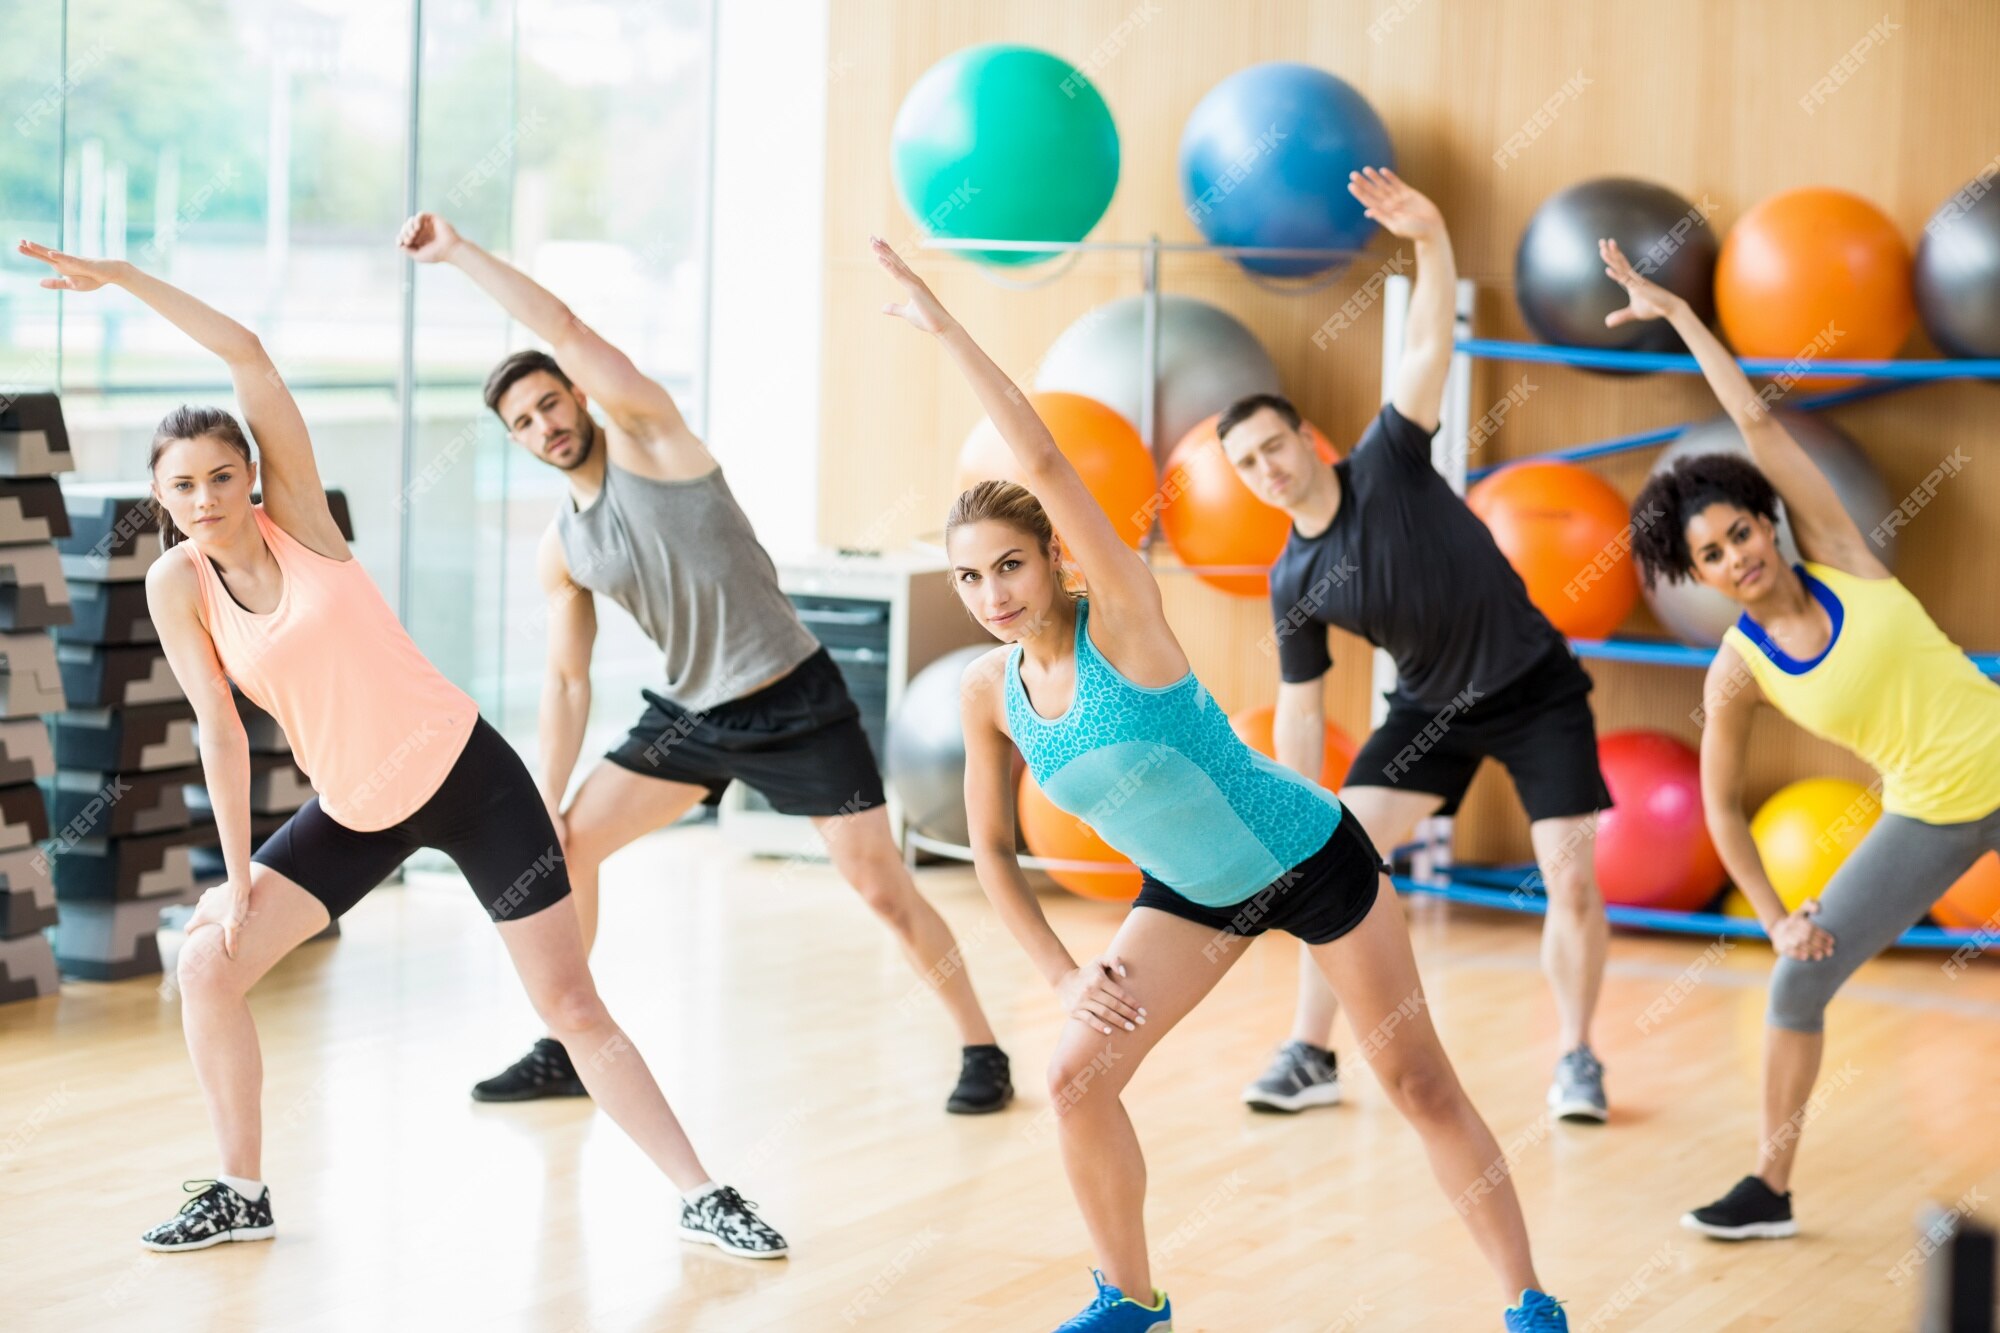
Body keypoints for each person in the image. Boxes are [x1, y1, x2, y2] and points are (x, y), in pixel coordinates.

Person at [15, 238, 788, 1258]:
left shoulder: (298, 521)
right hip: (354, 807)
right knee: (207, 965)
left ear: (254, 476)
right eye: (182, 485)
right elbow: (217, 726)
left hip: (469, 778)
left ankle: (704, 1192)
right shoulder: (177, 584)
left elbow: (247, 353)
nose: (204, 497)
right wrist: (239, 872)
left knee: (567, 1001)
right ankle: (241, 1190)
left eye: (220, 474)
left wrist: (124, 281)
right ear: (162, 498)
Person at [872, 235, 1570, 1332]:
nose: (991, 592)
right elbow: (992, 856)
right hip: (1191, 894)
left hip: (1309, 856)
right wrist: (1060, 976)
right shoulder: (985, 692)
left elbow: (1047, 462)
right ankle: (1131, 1299)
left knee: (1417, 1084)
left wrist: (945, 327)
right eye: (967, 575)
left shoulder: (1128, 615)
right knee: (1072, 1078)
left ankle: (1527, 1301)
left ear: (1053, 557)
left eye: (1009, 563)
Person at [398, 213, 1010, 1114]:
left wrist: (457, 254)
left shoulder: (655, 441)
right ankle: (567, 1042)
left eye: (551, 403)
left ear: (578, 395)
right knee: (567, 848)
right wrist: (551, 800)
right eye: (523, 422)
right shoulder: (564, 547)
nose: (544, 425)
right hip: (690, 714)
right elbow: (568, 683)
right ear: (517, 440)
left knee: (881, 890)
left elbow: (565, 325)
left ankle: (981, 1045)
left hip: (796, 699)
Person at [1602, 236, 2000, 1241]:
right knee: (1798, 976)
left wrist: (1681, 316)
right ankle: (1767, 1188)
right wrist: (1778, 916)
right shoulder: (1736, 669)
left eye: (1738, 531)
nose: (1733, 555)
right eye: (1708, 553)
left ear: (1767, 524)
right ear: (1694, 575)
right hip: (1931, 814)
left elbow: (1749, 418)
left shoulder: (1837, 551)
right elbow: (1719, 805)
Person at [1219, 168, 1614, 1122]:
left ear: (1304, 439)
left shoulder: (1388, 460)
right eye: (1245, 464)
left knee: (1568, 867)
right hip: (1433, 712)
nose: (1266, 469)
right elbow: (1305, 711)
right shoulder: (1291, 580)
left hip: (1536, 688)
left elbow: (1428, 341)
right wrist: (1293, 816)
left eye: (1273, 446)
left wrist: (1430, 234)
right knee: (1336, 854)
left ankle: (1577, 1059)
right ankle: (1311, 1053)